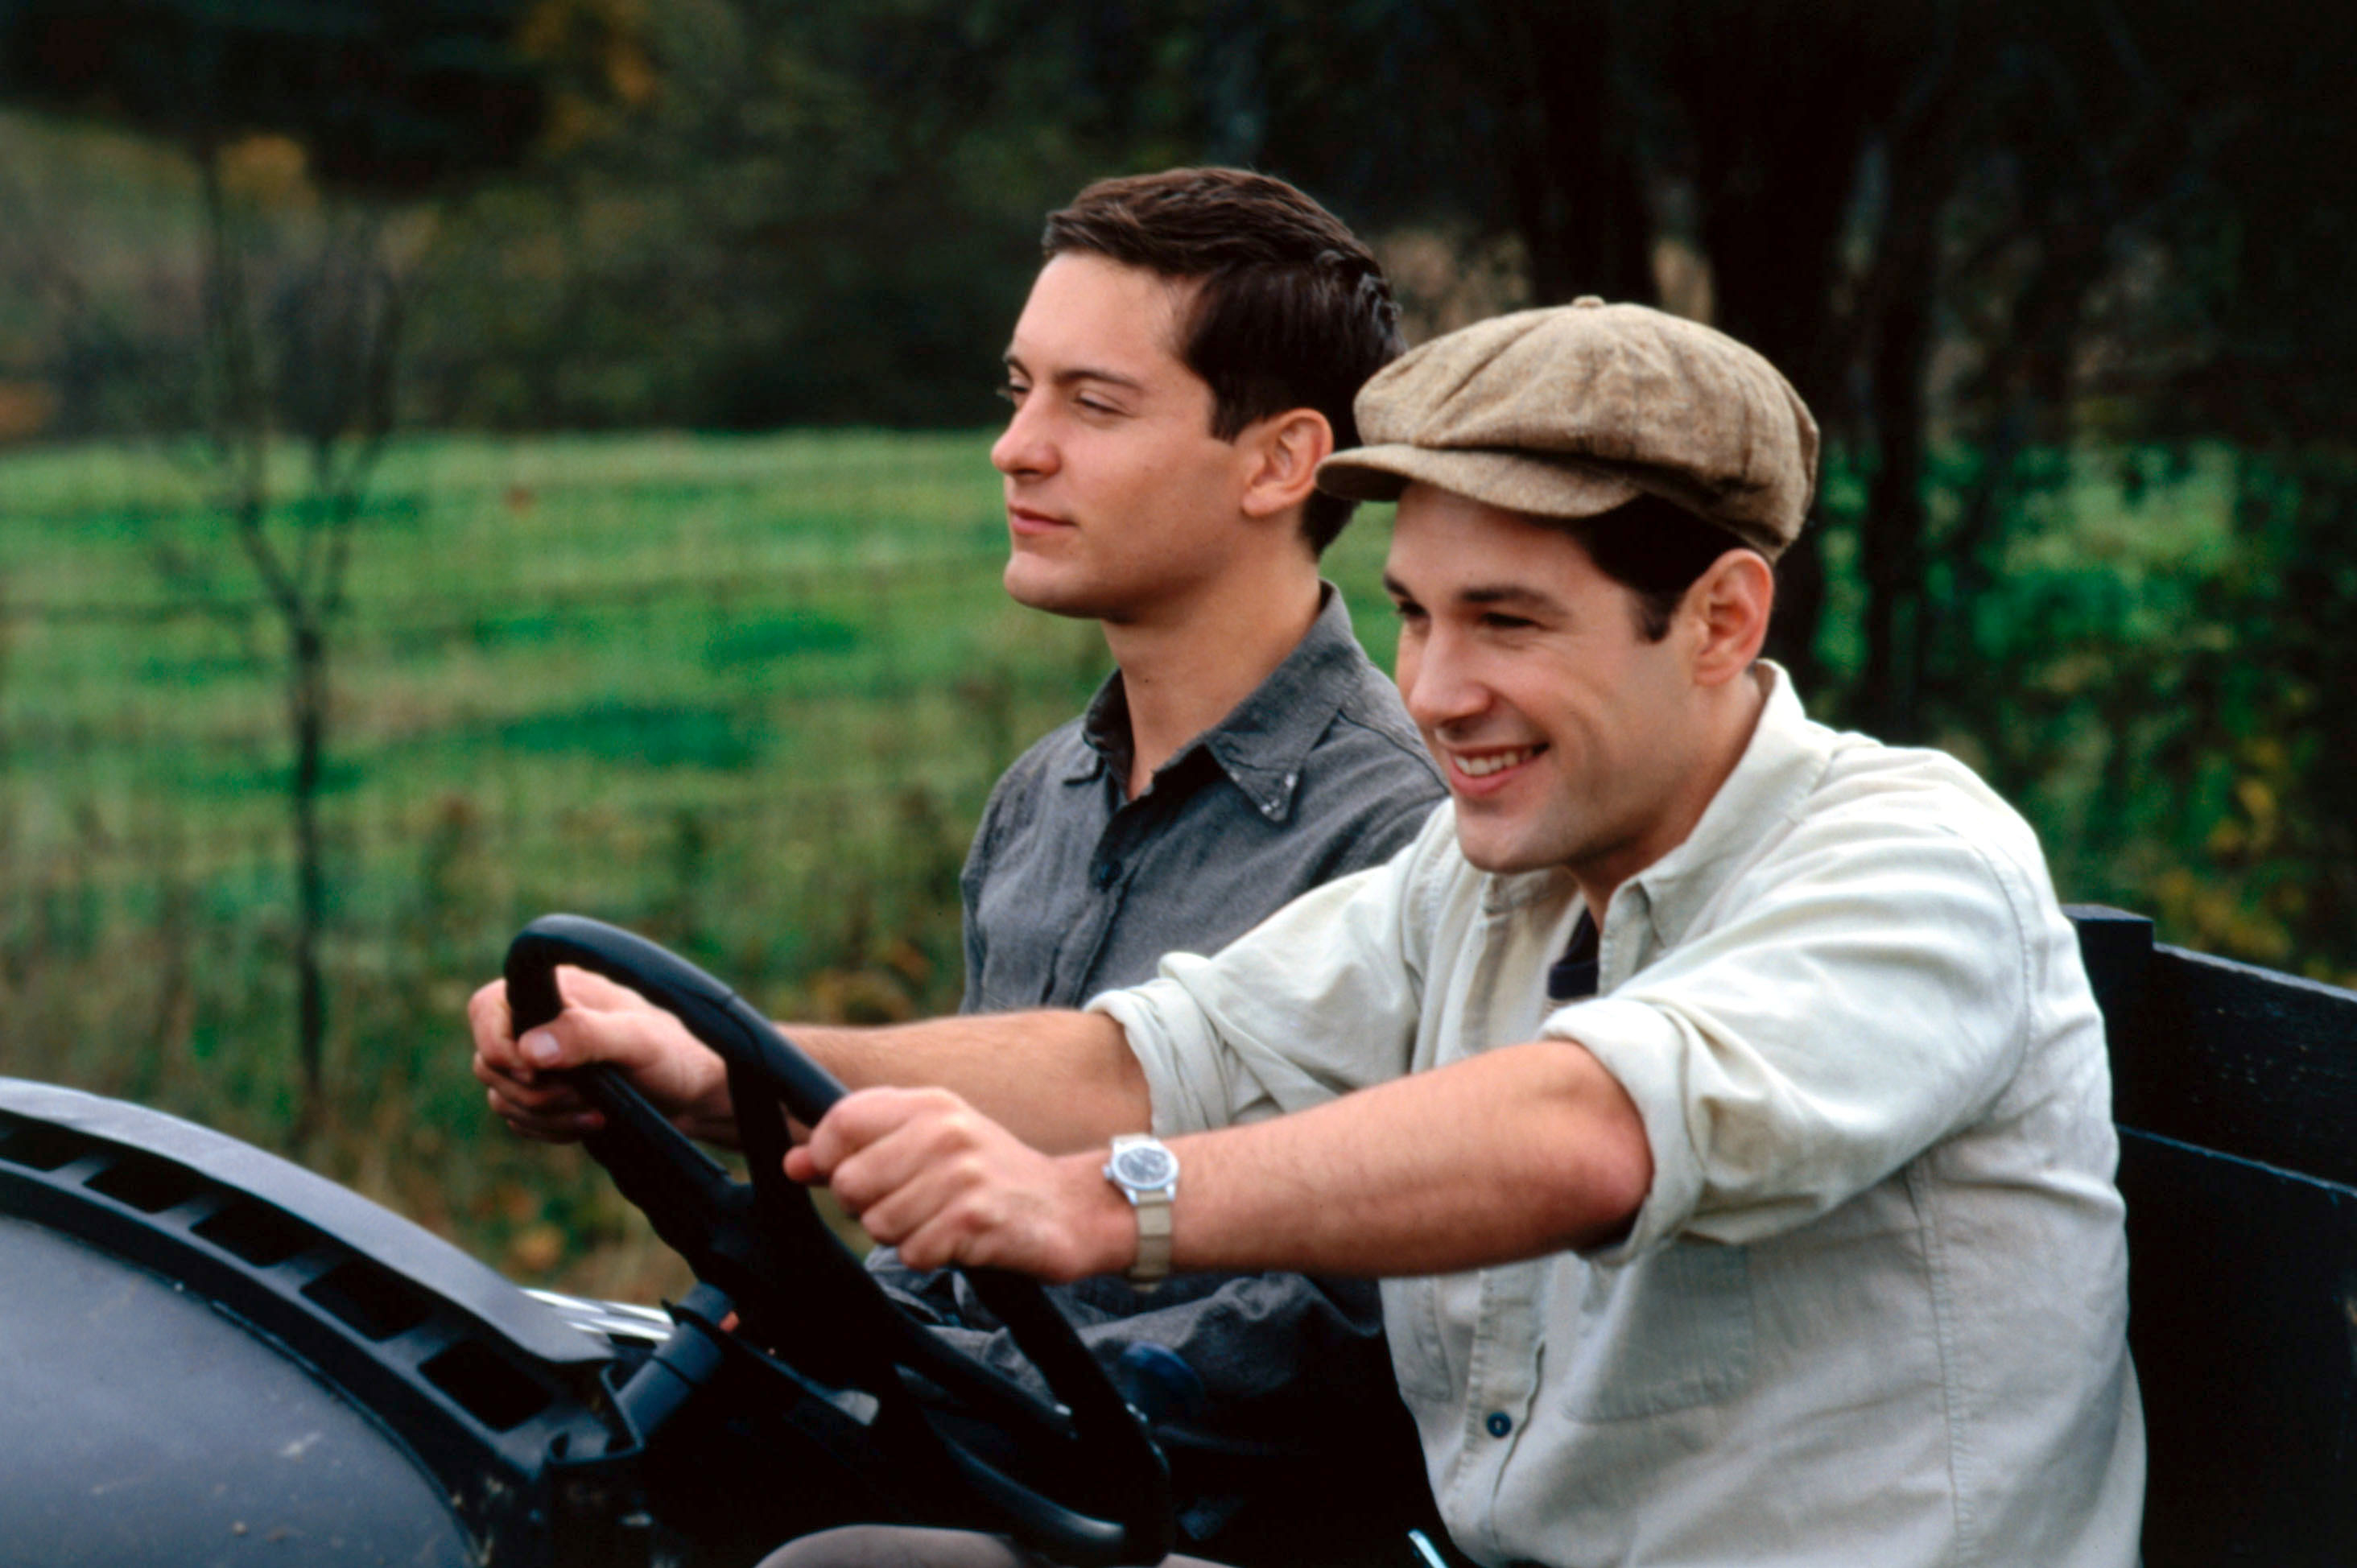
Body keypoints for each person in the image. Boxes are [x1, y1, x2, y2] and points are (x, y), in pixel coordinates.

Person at [477, 298, 2144, 1567]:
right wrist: (723, 1072)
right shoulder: (1483, 879)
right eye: (1417, 614)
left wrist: (1100, 1204)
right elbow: (1146, 1052)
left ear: (1720, 617)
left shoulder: (1912, 859)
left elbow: (1594, 1124)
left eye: (1509, 622)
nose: (1432, 690)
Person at [498, 168, 1448, 1562]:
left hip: (1179, 1517)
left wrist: (940, 1391)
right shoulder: (1040, 804)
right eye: (1018, 391)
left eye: (1092, 403)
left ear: (1279, 463)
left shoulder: (1402, 836)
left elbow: (1353, 1327)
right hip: (953, 1442)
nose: (1017, 448)